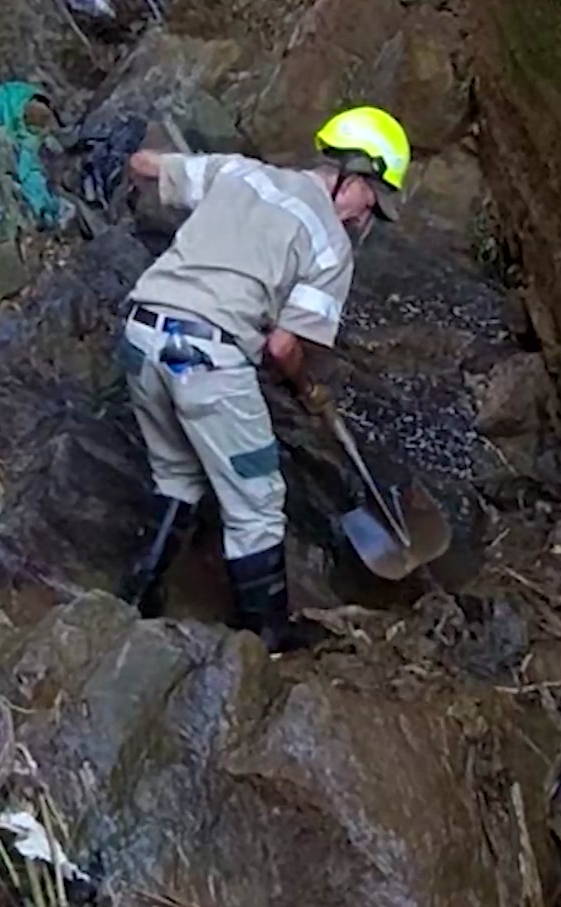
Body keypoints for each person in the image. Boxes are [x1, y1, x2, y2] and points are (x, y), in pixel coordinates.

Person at [113, 106, 410, 653]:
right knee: (257, 501)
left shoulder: (242, 172)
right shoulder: (330, 244)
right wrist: (305, 385)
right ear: (356, 177)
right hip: (204, 360)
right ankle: (268, 637)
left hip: (140, 337)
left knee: (177, 475)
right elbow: (282, 346)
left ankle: (134, 600)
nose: (368, 214)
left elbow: (145, 163)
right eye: (374, 199)